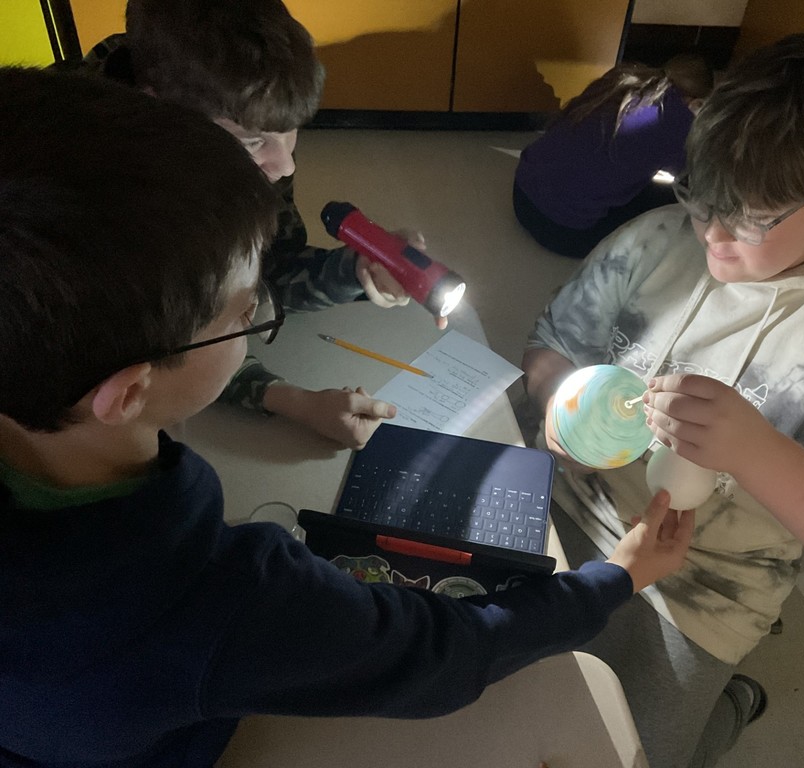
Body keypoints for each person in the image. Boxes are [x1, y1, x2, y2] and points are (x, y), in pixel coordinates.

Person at [0, 66, 693, 768]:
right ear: (126, 394)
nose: (260, 318)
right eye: (247, 313)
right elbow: (446, 652)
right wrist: (615, 577)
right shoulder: (217, 601)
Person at [521, 29, 804, 767]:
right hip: (566, 510)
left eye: (751, 217)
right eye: (700, 198)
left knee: (615, 754)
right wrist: (557, 405)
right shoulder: (658, 241)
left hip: (703, 592)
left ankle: (729, 705)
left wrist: (757, 451)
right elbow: (554, 339)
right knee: (465, 677)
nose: (713, 236)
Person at [81, 0, 436, 450]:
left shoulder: (237, 109)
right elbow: (165, 355)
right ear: (161, 113)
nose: (285, 165)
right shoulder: (90, 202)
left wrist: (356, 269)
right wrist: (291, 401)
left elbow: (273, 269)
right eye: (254, 142)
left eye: (292, 130)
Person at [513, 52, 713, 259]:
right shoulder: (678, 122)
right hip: (563, 232)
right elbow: (696, 179)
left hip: (521, 194)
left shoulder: (623, 79)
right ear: (696, 101)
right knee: (671, 200)